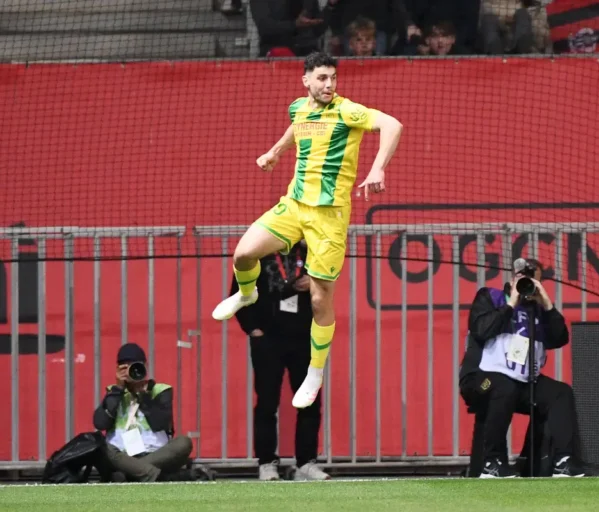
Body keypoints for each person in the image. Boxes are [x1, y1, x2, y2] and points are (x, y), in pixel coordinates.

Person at [212, 51, 403, 410]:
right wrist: (275, 153)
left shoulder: (348, 111)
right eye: (321, 78)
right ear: (306, 81)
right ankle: (248, 295)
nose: (329, 84)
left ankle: (314, 373)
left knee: (319, 300)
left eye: (332, 77)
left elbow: (393, 125)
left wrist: (378, 169)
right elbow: (297, 128)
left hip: (328, 218)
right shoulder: (298, 107)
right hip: (294, 205)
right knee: (243, 253)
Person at [460, 259, 585, 478]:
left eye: (532, 279)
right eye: (521, 277)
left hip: (521, 383)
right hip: (480, 379)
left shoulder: (538, 311)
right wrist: (510, 305)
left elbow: (559, 338)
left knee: (560, 393)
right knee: (503, 387)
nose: (525, 282)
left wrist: (546, 304)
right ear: (511, 277)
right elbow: (480, 329)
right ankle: (492, 463)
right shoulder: (490, 297)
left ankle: (563, 461)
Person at [231, 242, 330, 481]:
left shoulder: (312, 255)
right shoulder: (258, 255)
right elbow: (238, 291)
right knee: (267, 403)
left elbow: (329, 288)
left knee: (309, 401)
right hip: (268, 340)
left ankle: (305, 463)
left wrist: (315, 283)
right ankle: (267, 463)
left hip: (303, 339)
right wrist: (253, 328)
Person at [93, 343, 201, 482]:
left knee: (183, 442)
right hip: (122, 456)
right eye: (126, 367)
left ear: (145, 366)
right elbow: (100, 423)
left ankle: (131, 473)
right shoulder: (114, 392)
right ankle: (157, 476)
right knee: (101, 446)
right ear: (118, 369)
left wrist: (142, 393)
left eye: (135, 366)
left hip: (155, 454)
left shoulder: (160, 390)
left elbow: (160, 423)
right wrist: (118, 389)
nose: (131, 371)